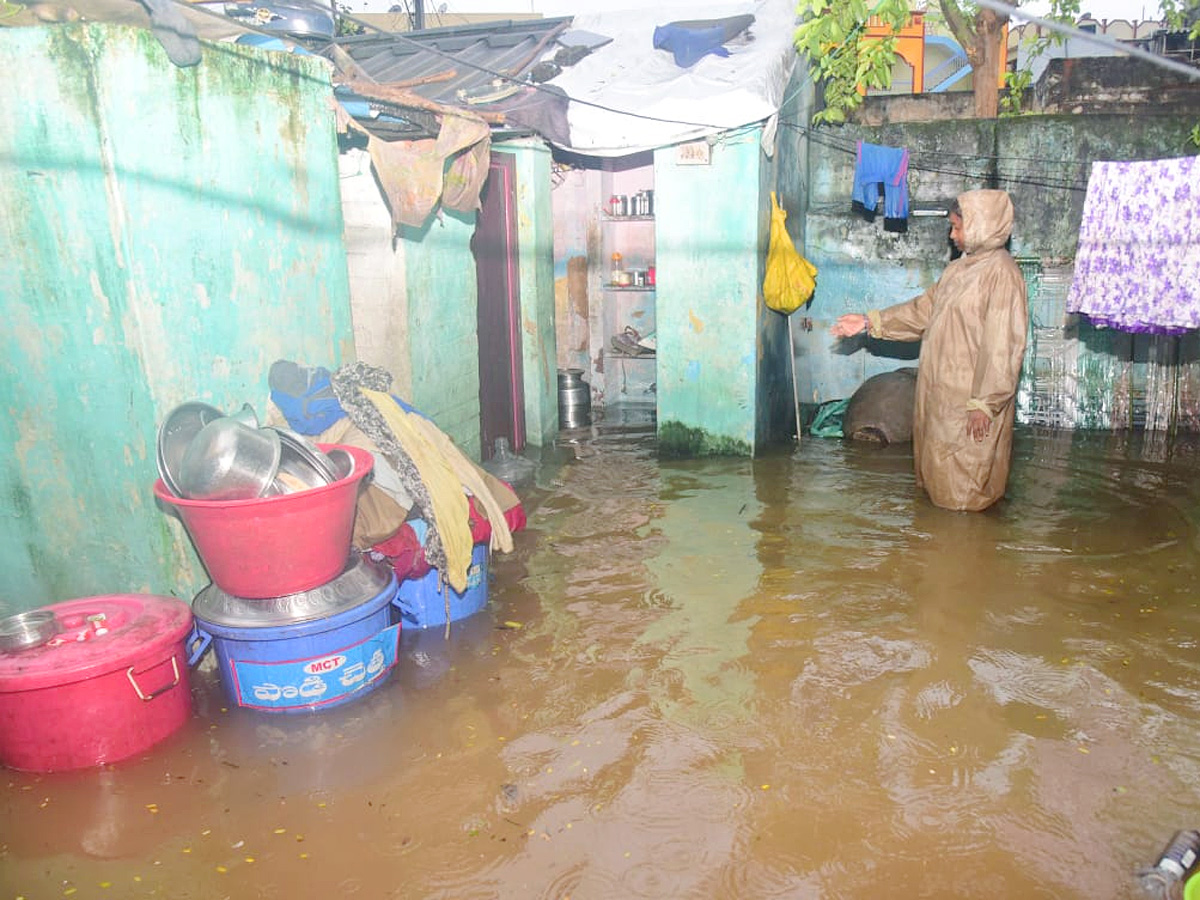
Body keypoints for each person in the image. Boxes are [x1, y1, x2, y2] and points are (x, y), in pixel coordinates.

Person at [830, 189, 1028, 512]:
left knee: (966, 494)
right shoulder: (959, 271)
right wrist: (869, 322)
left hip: (970, 404)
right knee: (937, 487)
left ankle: (966, 553)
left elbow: (1003, 347)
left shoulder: (1002, 274)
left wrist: (985, 403)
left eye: (958, 228)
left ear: (981, 225)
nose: (952, 235)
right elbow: (922, 311)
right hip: (939, 398)